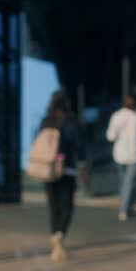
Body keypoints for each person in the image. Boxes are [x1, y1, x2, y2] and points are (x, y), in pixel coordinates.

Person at [40, 90, 87, 262]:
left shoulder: (46, 122)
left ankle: (55, 238)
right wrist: (83, 167)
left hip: (49, 170)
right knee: (67, 206)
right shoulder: (72, 123)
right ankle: (60, 235)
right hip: (67, 170)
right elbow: (80, 147)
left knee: (53, 207)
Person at [106, 94, 136, 221]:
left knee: (127, 183)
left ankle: (124, 208)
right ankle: (127, 207)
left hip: (127, 155)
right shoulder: (128, 117)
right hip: (128, 154)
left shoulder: (132, 117)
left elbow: (110, 136)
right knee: (127, 183)